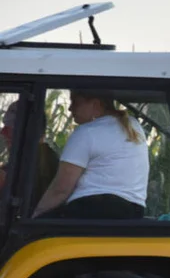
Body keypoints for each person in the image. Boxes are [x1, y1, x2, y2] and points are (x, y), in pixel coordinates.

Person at [33, 91, 148, 219]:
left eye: (75, 103)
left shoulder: (86, 133)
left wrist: (35, 216)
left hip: (94, 211)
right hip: (134, 214)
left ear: (95, 104)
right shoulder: (133, 126)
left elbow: (61, 189)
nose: (70, 108)